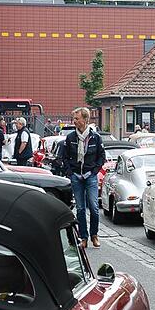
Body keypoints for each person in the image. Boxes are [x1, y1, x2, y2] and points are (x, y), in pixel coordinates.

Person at [59, 106, 106, 249]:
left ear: (85, 120)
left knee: (94, 207)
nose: (74, 121)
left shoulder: (95, 137)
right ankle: (83, 237)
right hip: (76, 176)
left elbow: (101, 157)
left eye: (77, 118)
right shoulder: (71, 137)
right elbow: (64, 157)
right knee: (80, 209)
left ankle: (94, 235)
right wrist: (70, 173)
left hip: (90, 176)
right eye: (74, 118)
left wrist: (94, 172)